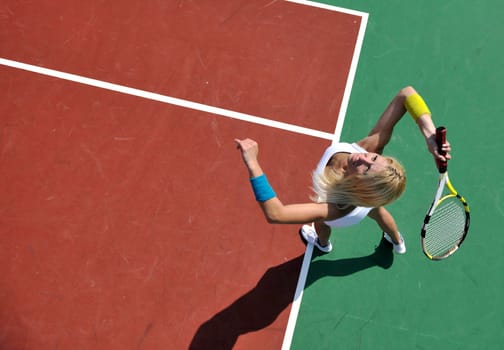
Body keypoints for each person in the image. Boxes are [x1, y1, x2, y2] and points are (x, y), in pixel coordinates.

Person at [235, 86, 451, 254]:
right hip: (370, 201)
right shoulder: (369, 147)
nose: (363, 158)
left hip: (350, 213)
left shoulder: (336, 207)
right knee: (378, 212)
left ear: (362, 187)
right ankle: (397, 241)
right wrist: (429, 135)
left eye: (366, 169)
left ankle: (323, 244)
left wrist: (253, 163)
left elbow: (276, 214)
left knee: (321, 223)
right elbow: (406, 94)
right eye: (374, 158)